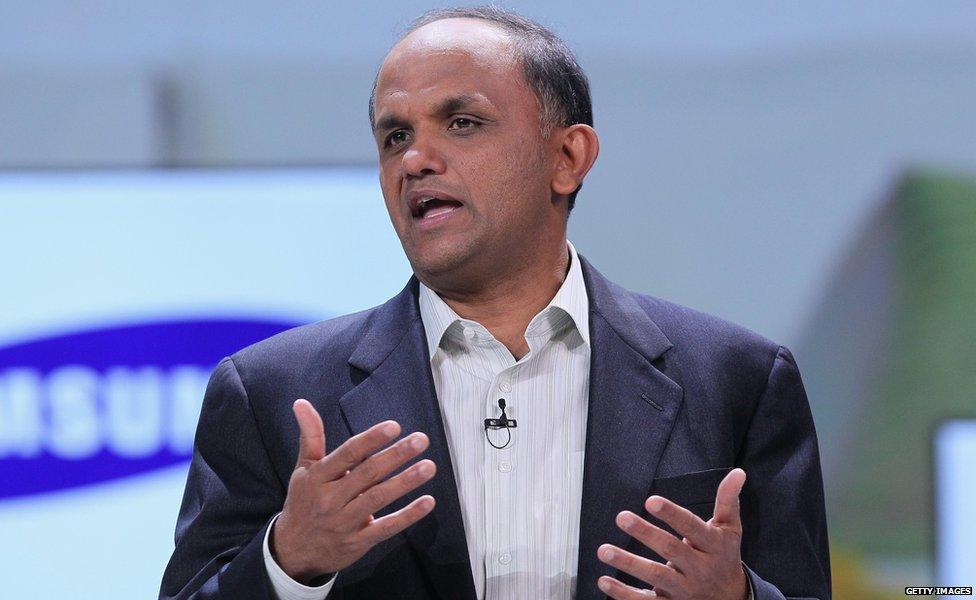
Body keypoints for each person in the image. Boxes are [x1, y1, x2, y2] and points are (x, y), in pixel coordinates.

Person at [159, 6, 830, 600]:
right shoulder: (272, 392)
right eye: (395, 136)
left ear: (568, 156)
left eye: (462, 122)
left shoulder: (734, 377)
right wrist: (288, 565)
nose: (415, 159)